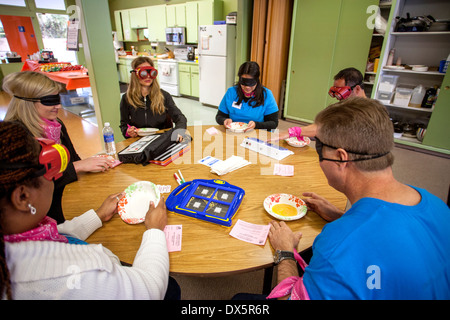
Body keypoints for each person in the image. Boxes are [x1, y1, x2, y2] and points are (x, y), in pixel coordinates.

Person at [265, 97, 450, 300]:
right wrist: (341, 216)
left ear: (341, 158)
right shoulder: (437, 205)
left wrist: (285, 253)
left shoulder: (339, 244)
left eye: (319, 148)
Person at [0, 121, 180, 300]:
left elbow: (58, 237)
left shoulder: (18, 236)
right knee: (171, 288)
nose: (55, 178)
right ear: (22, 197)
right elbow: (148, 290)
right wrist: (155, 230)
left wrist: (98, 216)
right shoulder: (73, 275)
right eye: (50, 172)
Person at [2, 71, 115, 224]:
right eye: (50, 101)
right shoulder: (15, 139)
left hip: (70, 194)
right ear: (27, 102)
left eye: (58, 98)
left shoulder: (57, 125)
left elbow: (74, 159)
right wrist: (75, 167)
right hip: (44, 214)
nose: (59, 106)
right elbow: (32, 189)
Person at [272, 67, 366, 141]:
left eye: (342, 92)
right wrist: (300, 133)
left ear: (357, 89)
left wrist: (294, 132)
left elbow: (326, 130)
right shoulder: (346, 106)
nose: (339, 98)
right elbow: (322, 127)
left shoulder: (367, 114)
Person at [119, 56, 187, 141]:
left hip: (161, 140)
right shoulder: (127, 99)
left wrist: (179, 131)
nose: (148, 77)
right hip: (138, 141)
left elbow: (180, 117)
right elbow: (124, 124)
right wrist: (128, 132)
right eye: (143, 73)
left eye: (151, 73)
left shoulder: (164, 96)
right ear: (135, 74)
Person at [216, 61, 279, 131]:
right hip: (234, 131)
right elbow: (219, 116)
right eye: (244, 83)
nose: (247, 87)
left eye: (251, 83)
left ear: (257, 81)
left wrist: (256, 125)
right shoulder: (231, 92)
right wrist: (224, 120)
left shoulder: (267, 95)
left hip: (256, 133)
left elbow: (274, 123)